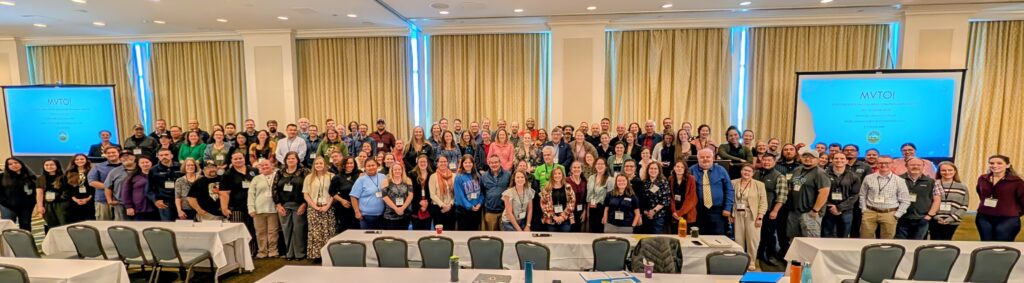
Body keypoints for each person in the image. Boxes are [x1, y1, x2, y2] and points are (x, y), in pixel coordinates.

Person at [858, 155, 911, 239]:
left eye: (887, 163)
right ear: (877, 164)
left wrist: (897, 214)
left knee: (887, 240)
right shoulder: (868, 178)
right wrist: (863, 209)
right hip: (870, 212)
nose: (883, 165)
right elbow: (862, 195)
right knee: (865, 238)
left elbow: (905, 200)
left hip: (890, 213)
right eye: (881, 163)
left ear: (892, 164)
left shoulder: (899, 180)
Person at [782, 148, 831, 239]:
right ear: (800, 158)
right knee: (793, 240)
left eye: (811, 157)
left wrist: (815, 210)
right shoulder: (797, 170)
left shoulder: (820, 173)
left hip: (809, 213)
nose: (808, 159)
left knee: (810, 241)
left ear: (817, 159)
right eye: (805, 156)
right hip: (794, 212)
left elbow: (824, 193)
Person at [975, 155, 1024, 241]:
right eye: (991, 163)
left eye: (999, 163)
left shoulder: (1017, 181)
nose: (994, 165)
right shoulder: (983, 178)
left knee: (1001, 245)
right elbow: (980, 194)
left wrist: (1014, 212)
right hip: (984, 217)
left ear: (1008, 165)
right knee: (985, 243)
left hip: (1008, 219)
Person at [689, 149, 734, 235]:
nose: (705, 159)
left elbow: (729, 190)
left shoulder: (721, 170)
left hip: (718, 212)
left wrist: (727, 208)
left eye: (708, 157)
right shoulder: (691, 171)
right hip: (698, 212)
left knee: (718, 238)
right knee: (698, 238)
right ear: (698, 158)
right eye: (702, 157)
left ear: (713, 158)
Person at [731, 164, 767, 270]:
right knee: (738, 239)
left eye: (749, 171)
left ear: (753, 173)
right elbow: (729, 199)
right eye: (744, 170)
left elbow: (763, 202)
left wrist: (760, 217)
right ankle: (740, 260)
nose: (746, 173)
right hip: (737, 214)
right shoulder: (733, 183)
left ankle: (751, 261)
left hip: (753, 215)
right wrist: (730, 213)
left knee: (753, 239)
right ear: (741, 171)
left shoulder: (759, 185)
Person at [895, 158, 942, 240]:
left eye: (918, 165)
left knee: (918, 243)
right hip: (901, 218)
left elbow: (937, 200)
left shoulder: (932, 182)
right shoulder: (897, 179)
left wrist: (929, 215)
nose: (915, 167)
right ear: (906, 166)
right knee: (900, 242)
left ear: (923, 166)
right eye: (912, 165)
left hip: (922, 219)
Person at [220, 152, 258, 252]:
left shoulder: (254, 171)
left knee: (252, 229)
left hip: (253, 206)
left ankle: (252, 251)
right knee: (238, 230)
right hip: (236, 207)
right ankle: (239, 252)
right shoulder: (227, 174)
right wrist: (224, 208)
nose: (238, 160)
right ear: (231, 161)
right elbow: (224, 193)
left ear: (244, 159)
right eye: (235, 159)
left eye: (240, 158)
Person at [274, 152, 308, 260]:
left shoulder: (304, 172)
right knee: (286, 230)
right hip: (284, 206)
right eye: (288, 158)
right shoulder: (279, 172)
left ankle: (300, 254)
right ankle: (289, 253)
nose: (291, 160)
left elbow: (309, 188)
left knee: (298, 230)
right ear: (285, 161)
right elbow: (274, 189)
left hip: (299, 205)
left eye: (293, 158)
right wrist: (278, 205)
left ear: (297, 160)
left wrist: (305, 204)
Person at [820, 153, 861, 238]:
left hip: (846, 210)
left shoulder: (854, 176)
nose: (839, 160)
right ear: (832, 160)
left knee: (844, 236)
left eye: (842, 158)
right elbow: (820, 192)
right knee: (827, 235)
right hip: (828, 209)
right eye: (836, 158)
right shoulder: (823, 174)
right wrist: (830, 205)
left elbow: (855, 195)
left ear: (846, 161)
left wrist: (839, 208)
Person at [757, 154, 789, 265]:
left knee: (769, 234)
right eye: (764, 160)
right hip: (756, 211)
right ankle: (758, 254)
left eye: (769, 160)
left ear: (774, 162)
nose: (766, 162)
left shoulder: (779, 176)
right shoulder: (756, 173)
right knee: (758, 234)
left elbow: (782, 196)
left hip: (770, 211)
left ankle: (768, 255)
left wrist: (775, 211)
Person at [304, 158, 336, 262]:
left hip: (328, 207)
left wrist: (327, 206)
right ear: (314, 165)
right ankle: (317, 255)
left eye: (321, 163)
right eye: (316, 163)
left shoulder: (331, 176)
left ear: (325, 164)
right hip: (313, 208)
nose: (319, 165)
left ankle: (329, 254)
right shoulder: (309, 178)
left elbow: (334, 193)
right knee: (315, 232)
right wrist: (315, 206)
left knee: (328, 231)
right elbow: (306, 194)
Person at [247, 159, 279, 258]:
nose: (265, 167)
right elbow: (251, 194)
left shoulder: (277, 176)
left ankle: (273, 251)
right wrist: (251, 208)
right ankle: (262, 251)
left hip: (273, 209)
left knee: (273, 232)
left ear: (272, 165)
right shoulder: (256, 178)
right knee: (260, 232)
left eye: (267, 165)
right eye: (262, 166)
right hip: (258, 210)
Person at [930, 161, 967, 240]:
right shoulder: (933, 185)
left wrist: (951, 218)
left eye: (950, 170)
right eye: (943, 170)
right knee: (934, 242)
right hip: (935, 220)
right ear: (939, 172)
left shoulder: (962, 187)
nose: (947, 172)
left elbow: (964, 205)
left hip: (953, 220)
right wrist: (936, 217)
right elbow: (928, 203)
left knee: (947, 242)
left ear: (955, 171)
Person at [1, 157, 36, 230]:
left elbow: (36, 191)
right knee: (8, 226)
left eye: (16, 163)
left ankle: (26, 240)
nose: (13, 165)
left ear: (21, 164)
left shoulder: (30, 176)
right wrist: (5, 202)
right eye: (10, 164)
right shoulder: (2, 177)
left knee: (25, 225)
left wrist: (32, 202)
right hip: (7, 206)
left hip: (26, 206)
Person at [89, 146, 122, 221]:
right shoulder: (98, 166)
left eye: (113, 152)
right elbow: (92, 182)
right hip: (103, 200)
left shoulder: (125, 166)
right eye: (108, 153)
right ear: (105, 155)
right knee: (103, 224)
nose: (111, 154)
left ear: (119, 153)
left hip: (122, 201)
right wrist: (111, 187)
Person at [351, 159, 386, 230]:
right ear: (365, 167)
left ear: (377, 166)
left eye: (373, 165)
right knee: (367, 239)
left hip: (382, 215)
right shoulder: (361, 180)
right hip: (366, 217)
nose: (371, 167)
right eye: (368, 166)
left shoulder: (383, 177)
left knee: (380, 239)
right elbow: (353, 196)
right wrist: (357, 212)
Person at [121, 156, 159, 220]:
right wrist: (128, 207)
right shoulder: (133, 177)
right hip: (139, 209)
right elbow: (126, 193)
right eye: (142, 163)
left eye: (147, 162)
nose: (145, 164)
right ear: (138, 164)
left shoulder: (158, 175)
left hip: (156, 208)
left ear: (151, 163)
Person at [539, 166, 575, 232]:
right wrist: (554, 216)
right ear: (552, 176)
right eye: (555, 174)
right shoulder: (546, 188)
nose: (557, 175)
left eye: (559, 173)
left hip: (565, 219)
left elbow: (571, 203)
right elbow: (543, 204)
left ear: (562, 175)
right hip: (550, 219)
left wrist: (562, 216)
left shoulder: (568, 187)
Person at [103, 150, 136, 221]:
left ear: (134, 157)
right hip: (120, 204)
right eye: (123, 157)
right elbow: (108, 186)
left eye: (128, 156)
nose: (126, 158)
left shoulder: (141, 169)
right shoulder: (114, 171)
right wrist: (109, 200)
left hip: (139, 203)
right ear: (120, 159)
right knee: (123, 227)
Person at [330, 157, 360, 233]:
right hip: (345, 206)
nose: (349, 165)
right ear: (343, 165)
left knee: (358, 230)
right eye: (347, 163)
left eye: (351, 163)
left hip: (359, 206)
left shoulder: (360, 174)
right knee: (346, 230)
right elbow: (331, 191)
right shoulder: (337, 177)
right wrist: (342, 200)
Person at [638, 161, 670, 234]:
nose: (653, 170)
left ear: (659, 170)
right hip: (646, 215)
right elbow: (641, 198)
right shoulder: (644, 182)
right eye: (651, 168)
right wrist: (646, 212)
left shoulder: (663, 181)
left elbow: (665, 200)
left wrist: (653, 211)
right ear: (648, 170)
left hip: (658, 215)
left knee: (656, 239)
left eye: (655, 169)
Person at [481, 155, 511, 231]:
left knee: (505, 236)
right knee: (491, 237)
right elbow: (482, 192)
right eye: (491, 163)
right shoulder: (484, 176)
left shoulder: (508, 175)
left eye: (496, 162)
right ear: (488, 164)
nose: (494, 164)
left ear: (500, 163)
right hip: (490, 212)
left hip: (505, 212)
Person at [150, 149, 181, 221]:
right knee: (168, 224)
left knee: (183, 224)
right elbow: (150, 188)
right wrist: (156, 200)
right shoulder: (153, 170)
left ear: (171, 156)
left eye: (166, 155)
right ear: (158, 157)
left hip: (180, 200)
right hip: (164, 201)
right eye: (161, 155)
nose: (164, 157)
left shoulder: (180, 167)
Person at [667, 161, 697, 236]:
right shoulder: (671, 179)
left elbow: (692, 199)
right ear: (674, 168)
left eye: (682, 167)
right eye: (677, 166)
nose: (679, 168)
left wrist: (679, 213)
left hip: (687, 213)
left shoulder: (691, 179)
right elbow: (670, 197)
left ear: (685, 169)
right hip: (674, 215)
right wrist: (674, 212)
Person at [453, 156, 483, 231]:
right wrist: (470, 207)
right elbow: (459, 196)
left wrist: (480, 203)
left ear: (473, 164)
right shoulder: (459, 177)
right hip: (464, 211)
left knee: (475, 234)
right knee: (464, 235)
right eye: (465, 162)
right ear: (462, 164)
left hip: (476, 210)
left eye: (470, 162)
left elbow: (481, 192)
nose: (468, 164)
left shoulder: (477, 175)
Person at [64, 154, 96, 224]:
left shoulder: (92, 171)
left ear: (86, 160)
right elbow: (67, 188)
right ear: (74, 161)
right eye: (77, 159)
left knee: (90, 221)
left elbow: (94, 186)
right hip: (74, 201)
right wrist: (75, 199)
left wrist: (88, 198)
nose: (79, 161)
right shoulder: (69, 172)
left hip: (90, 200)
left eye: (82, 159)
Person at [37, 159, 67, 230]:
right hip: (48, 205)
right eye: (46, 165)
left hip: (61, 204)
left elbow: (67, 191)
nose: (49, 167)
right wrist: (40, 206)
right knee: (52, 225)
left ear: (57, 166)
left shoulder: (64, 177)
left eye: (52, 165)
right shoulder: (41, 178)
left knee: (64, 224)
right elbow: (39, 193)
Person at [380, 163, 412, 230]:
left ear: (402, 170)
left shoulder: (407, 180)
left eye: (399, 169)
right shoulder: (386, 181)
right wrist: (396, 209)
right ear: (392, 171)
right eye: (395, 169)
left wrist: (402, 208)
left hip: (405, 212)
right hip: (390, 214)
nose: (397, 171)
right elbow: (385, 196)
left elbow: (410, 195)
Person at [429, 155, 457, 230]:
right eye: (441, 162)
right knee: (439, 234)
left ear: (448, 163)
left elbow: (456, 193)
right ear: (437, 163)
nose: (443, 163)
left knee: (451, 231)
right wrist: (443, 205)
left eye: (445, 161)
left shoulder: (454, 176)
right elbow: (432, 194)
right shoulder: (433, 176)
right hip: (438, 208)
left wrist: (450, 204)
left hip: (451, 208)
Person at [587, 159, 613, 233]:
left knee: (600, 231)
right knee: (593, 231)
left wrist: (606, 213)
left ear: (605, 166)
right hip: (592, 207)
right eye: (598, 164)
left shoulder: (609, 179)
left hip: (602, 209)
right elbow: (588, 194)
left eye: (602, 164)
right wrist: (588, 210)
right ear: (595, 166)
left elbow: (610, 198)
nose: (600, 166)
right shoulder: (591, 178)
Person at [408, 155, 434, 230]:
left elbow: (433, 191)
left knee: (427, 231)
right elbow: (410, 192)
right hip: (416, 206)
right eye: (421, 162)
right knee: (417, 231)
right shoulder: (411, 175)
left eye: (424, 161)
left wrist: (427, 203)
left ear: (427, 163)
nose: (423, 163)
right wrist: (420, 203)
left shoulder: (431, 174)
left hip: (428, 207)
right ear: (417, 163)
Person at [566, 161, 589, 232]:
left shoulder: (584, 181)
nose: (576, 169)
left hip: (580, 211)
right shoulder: (567, 181)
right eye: (574, 167)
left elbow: (586, 198)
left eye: (578, 167)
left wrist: (585, 211)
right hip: (569, 212)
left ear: (581, 169)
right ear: (571, 169)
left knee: (578, 233)